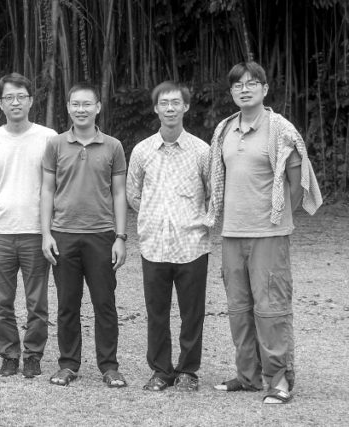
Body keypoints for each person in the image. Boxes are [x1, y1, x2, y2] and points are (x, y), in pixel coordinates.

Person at [206, 61, 322, 404]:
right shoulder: (224, 129)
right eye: (238, 84)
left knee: (271, 308)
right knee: (239, 308)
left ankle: (279, 379)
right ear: (231, 92)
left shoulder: (281, 129)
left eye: (252, 83)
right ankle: (248, 375)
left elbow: (297, 181)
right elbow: (217, 175)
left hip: (269, 234)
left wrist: (280, 213)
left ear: (265, 89)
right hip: (231, 232)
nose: (245, 89)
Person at [40, 83, 129, 388]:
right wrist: (45, 234)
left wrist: (121, 236)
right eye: (75, 104)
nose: (81, 109)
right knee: (67, 304)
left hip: (101, 235)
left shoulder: (113, 146)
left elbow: (119, 193)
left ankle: (109, 366)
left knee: (104, 303)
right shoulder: (55, 145)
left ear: (98, 107)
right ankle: (67, 364)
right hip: (63, 234)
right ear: (68, 107)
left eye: (87, 104)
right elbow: (47, 189)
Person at [126, 82, 210, 392]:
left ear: (187, 107)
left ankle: (188, 370)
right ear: (156, 108)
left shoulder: (202, 151)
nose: (171, 108)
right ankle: (161, 370)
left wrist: (193, 220)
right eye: (165, 103)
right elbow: (133, 194)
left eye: (177, 102)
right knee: (156, 313)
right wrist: (154, 215)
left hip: (193, 245)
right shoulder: (142, 151)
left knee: (192, 313)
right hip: (154, 245)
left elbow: (212, 194)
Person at [0, 73, 57, 378]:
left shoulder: (48, 137)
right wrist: (0, 198)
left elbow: (55, 181)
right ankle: (9, 354)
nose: (15, 102)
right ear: (0, 103)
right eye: (9, 97)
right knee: (2, 301)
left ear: (31, 100)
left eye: (21, 97)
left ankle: (34, 354)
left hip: (37, 230)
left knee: (37, 300)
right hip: (0, 231)